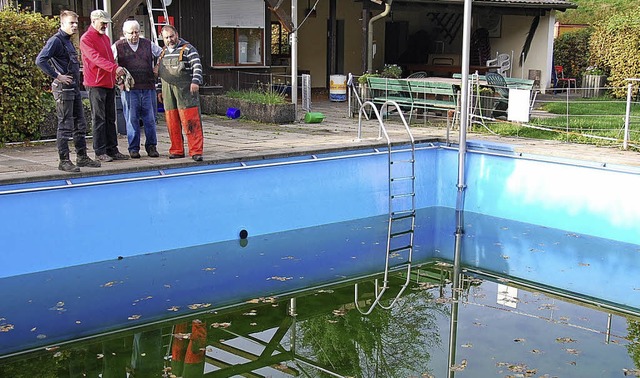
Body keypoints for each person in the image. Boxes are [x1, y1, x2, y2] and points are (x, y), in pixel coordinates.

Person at [35, 10, 101, 172]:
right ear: (62, 24)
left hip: (74, 88)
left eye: (76, 23)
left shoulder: (68, 41)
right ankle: (64, 160)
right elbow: (40, 60)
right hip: (63, 89)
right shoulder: (56, 41)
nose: (75, 26)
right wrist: (58, 76)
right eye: (71, 23)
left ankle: (82, 157)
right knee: (65, 125)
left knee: (80, 123)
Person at [80, 9, 129, 162]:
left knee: (110, 118)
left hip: (108, 82)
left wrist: (115, 74)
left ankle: (112, 149)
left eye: (106, 23)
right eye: (103, 23)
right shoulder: (86, 39)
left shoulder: (105, 38)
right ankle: (99, 150)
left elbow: (109, 58)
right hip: (95, 83)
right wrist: (115, 69)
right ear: (93, 21)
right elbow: (95, 58)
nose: (105, 26)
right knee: (99, 118)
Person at [112, 20, 162, 158]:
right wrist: (117, 73)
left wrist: (158, 65)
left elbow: (162, 53)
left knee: (150, 119)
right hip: (130, 89)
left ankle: (151, 146)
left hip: (148, 86)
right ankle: (133, 148)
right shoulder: (118, 46)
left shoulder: (147, 44)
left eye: (137, 32)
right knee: (131, 119)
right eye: (131, 33)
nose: (134, 35)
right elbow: (110, 61)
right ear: (124, 34)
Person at [157, 25, 204, 161]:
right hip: (168, 93)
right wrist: (159, 90)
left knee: (191, 121)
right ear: (162, 38)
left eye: (171, 36)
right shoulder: (163, 52)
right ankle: (176, 150)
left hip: (186, 91)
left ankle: (196, 151)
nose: (170, 39)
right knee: (172, 122)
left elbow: (197, 66)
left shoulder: (189, 49)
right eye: (166, 37)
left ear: (177, 34)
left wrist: (195, 81)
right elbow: (161, 74)